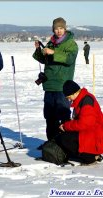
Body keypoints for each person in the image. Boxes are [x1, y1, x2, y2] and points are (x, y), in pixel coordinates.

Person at [32, 17, 78, 148]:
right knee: (49, 117)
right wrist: (38, 50)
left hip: (62, 86)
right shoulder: (51, 43)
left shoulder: (70, 43)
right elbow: (43, 59)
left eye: (61, 28)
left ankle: (65, 144)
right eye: (56, 28)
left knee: (63, 116)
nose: (58, 31)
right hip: (49, 85)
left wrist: (53, 52)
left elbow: (69, 59)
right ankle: (51, 143)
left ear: (65, 29)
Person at [56, 80, 103, 164]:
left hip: (94, 136)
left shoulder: (87, 101)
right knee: (64, 135)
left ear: (74, 93)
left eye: (68, 96)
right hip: (90, 133)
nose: (68, 99)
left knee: (65, 138)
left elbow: (84, 124)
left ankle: (90, 157)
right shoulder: (81, 99)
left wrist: (66, 126)